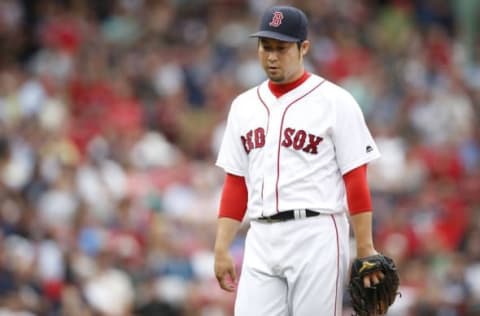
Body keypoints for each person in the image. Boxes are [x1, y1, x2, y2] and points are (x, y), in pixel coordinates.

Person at [213, 5, 383, 315]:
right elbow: (236, 182)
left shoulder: (336, 101)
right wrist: (222, 245)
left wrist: (365, 246)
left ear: (303, 47)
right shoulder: (243, 106)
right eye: (266, 47)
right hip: (260, 235)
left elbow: (355, 179)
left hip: (316, 232)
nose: (272, 56)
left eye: (281, 48)